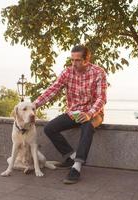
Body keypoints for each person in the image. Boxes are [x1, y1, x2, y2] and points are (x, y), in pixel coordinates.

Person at [33, 45, 107, 184]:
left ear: (87, 59)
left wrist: (89, 114)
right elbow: (53, 89)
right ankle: (71, 157)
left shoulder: (98, 72)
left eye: (78, 60)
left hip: (94, 113)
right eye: (72, 60)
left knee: (87, 126)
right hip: (74, 113)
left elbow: (101, 98)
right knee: (49, 128)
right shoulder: (67, 72)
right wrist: (35, 104)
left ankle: (77, 167)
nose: (74, 64)